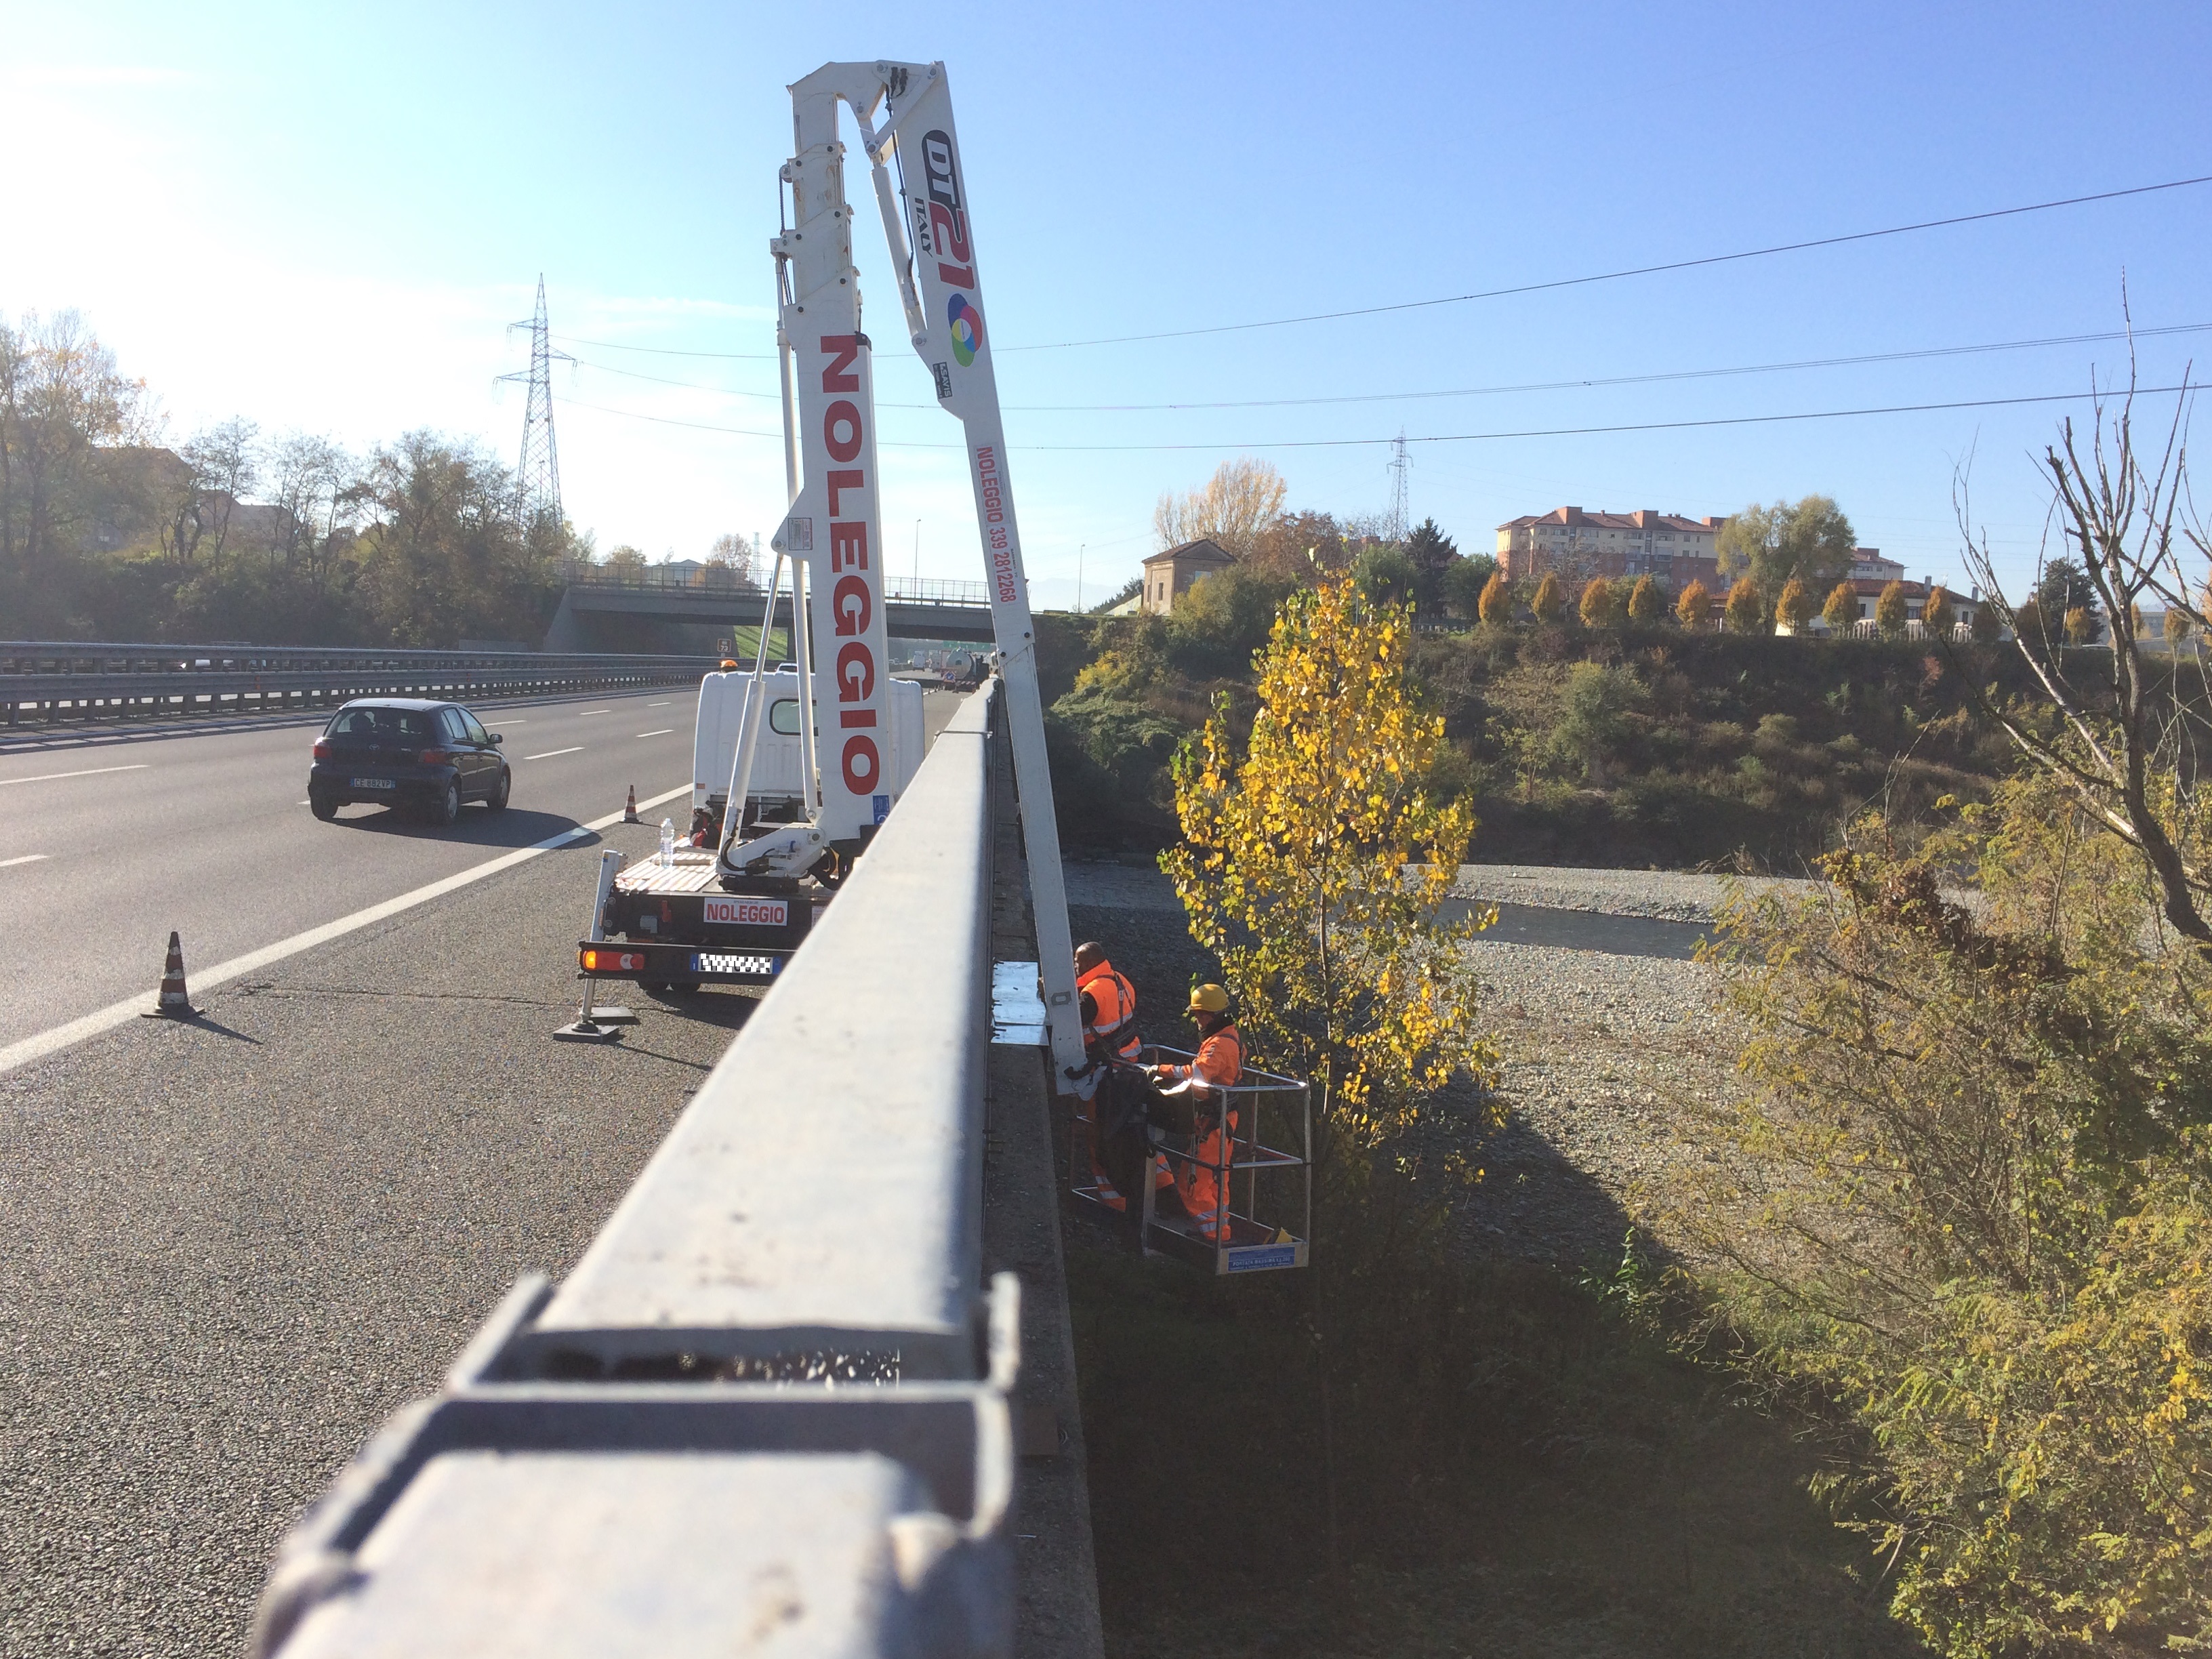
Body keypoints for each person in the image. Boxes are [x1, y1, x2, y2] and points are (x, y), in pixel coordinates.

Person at [1148, 984, 1245, 1242]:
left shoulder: (1219, 1045)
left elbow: (1198, 1073)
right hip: (1222, 1119)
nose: (1197, 1021)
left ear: (1208, 1015)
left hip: (1214, 1122)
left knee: (1193, 1183)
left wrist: (1161, 1070)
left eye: (1198, 1015)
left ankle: (1211, 1235)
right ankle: (1220, 1231)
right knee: (1216, 1178)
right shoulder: (1230, 1036)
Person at [1070, 942, 1145, 1212]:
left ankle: (1114, 1202)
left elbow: (1072, 1018)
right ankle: (1158, 1189)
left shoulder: (1091, 994)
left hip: (1107, 1075)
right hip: (1132, 1066)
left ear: (1089, 962)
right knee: (1134, 1131)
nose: (1074, 966)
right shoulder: (1122, 981)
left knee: (1101, 1135)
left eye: (1077, 962)